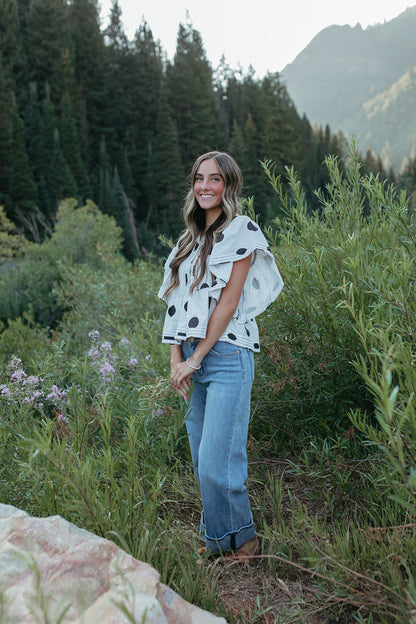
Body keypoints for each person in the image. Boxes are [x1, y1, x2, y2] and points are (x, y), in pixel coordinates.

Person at [158, 151, 283, 560]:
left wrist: (197, 359)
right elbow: (174, 302)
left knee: (219, 461)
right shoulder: (186, 241)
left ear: (228, 185)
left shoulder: (242, 231)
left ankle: (244, 541)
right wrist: (177, 359)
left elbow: (228, 302)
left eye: (215, 179)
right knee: (201, 459)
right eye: (199, 178)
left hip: (228, 353)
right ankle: (217, 542)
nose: (205, 186)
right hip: (192, 355)